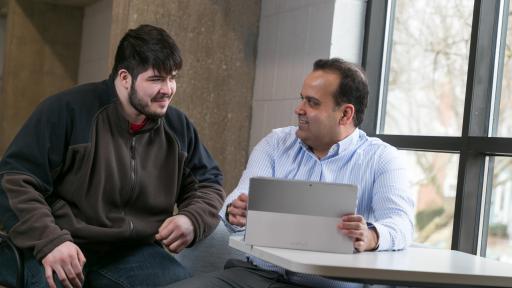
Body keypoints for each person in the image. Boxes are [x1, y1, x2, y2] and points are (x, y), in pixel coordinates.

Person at [0, 24, 225, 288]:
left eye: (172, 77)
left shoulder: (178, 127)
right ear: (124, 77)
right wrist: (50, 241)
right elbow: (14, 180)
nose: (168, 89)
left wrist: (192, 218)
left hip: (133, 253)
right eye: (156, 79)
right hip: (62, 244)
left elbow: (208, 182)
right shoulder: (66, 110)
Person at [169, 58, 415, 288]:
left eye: (313, 103)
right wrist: (236, 212)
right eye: (302, 99)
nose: (299, 109)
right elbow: (238, 200)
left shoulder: (383, 159)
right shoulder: (275, 144)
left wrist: (371, 236)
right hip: (256, 276)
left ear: (345, 114)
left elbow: (401, 225)